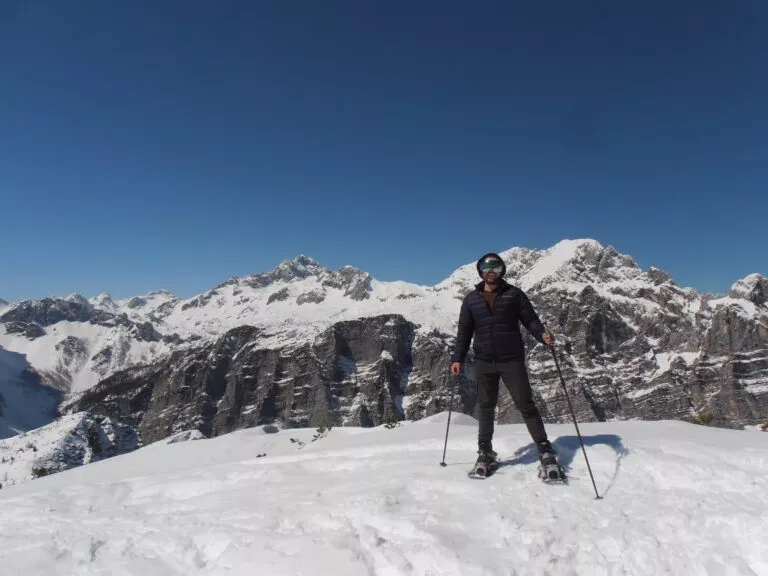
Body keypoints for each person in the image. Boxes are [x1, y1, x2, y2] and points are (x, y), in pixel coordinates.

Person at [450, 252, 562, 475]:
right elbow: (464, 332)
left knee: (525, 404)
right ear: (480, 271)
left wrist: (543, 335)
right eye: (486, 267)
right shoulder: (471, 299)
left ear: (502, 270)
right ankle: (485, 451)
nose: (491, 271)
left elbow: (531, 320)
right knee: (486, 408)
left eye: (496, 267)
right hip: (483, 361)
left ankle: (544, 448)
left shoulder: (514, 295)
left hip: (512, 360)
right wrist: (457, 358)